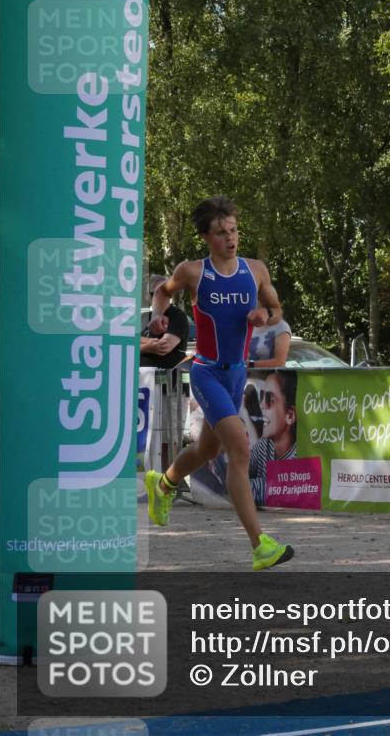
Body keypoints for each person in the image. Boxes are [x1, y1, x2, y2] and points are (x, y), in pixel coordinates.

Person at [143, 196, 294, 570]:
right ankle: (260, 545)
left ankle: (162, 483)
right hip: (207, 371)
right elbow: (162, 292)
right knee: (240, 450)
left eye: (234, 230)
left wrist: (265, 313)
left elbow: (276, 309)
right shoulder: (193, 272)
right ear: (206, 238)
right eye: (221, 233)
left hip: (236, 374)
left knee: (207, 451)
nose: (230, 238)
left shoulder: (255, 270)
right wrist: (158, 318)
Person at [248, 370, 298, 506]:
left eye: (270, 399)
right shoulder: (264, 445)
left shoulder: (299, 454)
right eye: (261, 396)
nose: (262, 405)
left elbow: (276, 490)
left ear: (290, 416)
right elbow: (240, 471)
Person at [139, 274, 189, 368]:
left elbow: (163, 347)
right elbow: (128, 346)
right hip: (139, 373)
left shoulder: (177, 315)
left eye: (163, 293)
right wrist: (149, 346)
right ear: (147, 296)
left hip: (166, 375)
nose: (157, 297)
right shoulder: (144, 317)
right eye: (153, 293)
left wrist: (140, 342)